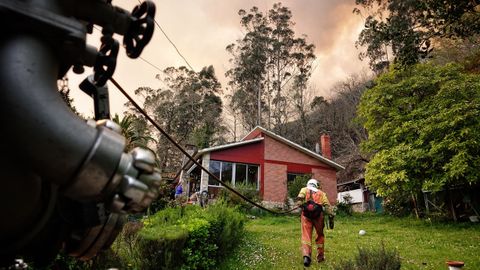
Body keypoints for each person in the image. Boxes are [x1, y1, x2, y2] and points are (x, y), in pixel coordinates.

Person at [296, 178, 332, 267]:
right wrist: (331, 215)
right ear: (316, 185)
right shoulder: (321, 193)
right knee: (320, 236)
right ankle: (320, 257)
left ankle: (306, 256)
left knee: (306, 236)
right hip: (318, 217)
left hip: (306, 216)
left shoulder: (304, 189)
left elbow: (300, 198)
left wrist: (300, 203)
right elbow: (327, 206)